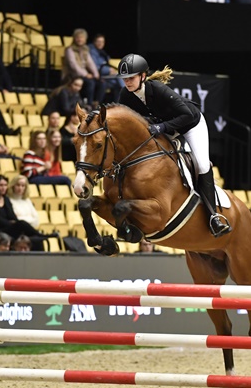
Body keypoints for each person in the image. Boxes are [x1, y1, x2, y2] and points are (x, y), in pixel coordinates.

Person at [117, 53, 231, 237]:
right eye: (125, 78)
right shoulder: (125, 95)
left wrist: (161, 127)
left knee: (201, 164)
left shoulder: (158, 90)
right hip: (165, 127)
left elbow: (186, 115)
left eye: (131, 77)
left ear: (143, 76)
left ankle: (214, 216)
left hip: (190, 124)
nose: (127, 82)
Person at [0, 174, 45, 250]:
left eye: (5, 185)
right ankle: (41, 235)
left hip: (10, 228)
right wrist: (12, 223)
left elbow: (12, 216)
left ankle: (40, 237)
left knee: (36, 239)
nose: (3, 188)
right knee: (21, 223)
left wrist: (14, 222)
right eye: (1, 185)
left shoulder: (6, 199)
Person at [64, 28, 104, 107]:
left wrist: (96, 74)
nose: (80, 39)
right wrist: (85, 74)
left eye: (81, 37)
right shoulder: (70, 50)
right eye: (78, 37)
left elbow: (90, 63)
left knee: (102, 83)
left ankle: (97, 103)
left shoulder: (85, 50)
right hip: (73, 74)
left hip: (83, 75)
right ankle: (89, 104)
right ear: (74, 38)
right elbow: (73, 65)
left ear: (85, 39)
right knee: (90, 82)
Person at [88, 33, 124, 102]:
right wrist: (108, 70)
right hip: (99, 75)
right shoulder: (92, 52)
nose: (100, 44)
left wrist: (111, 70)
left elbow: (107, 63)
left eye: (102, 42)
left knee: (117, 84)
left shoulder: (102, 52)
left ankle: (118, 104)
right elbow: (95, 67)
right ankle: (128, 92)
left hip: (107, 76)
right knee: (119, 76)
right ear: (94, 42)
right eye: (98, 41)